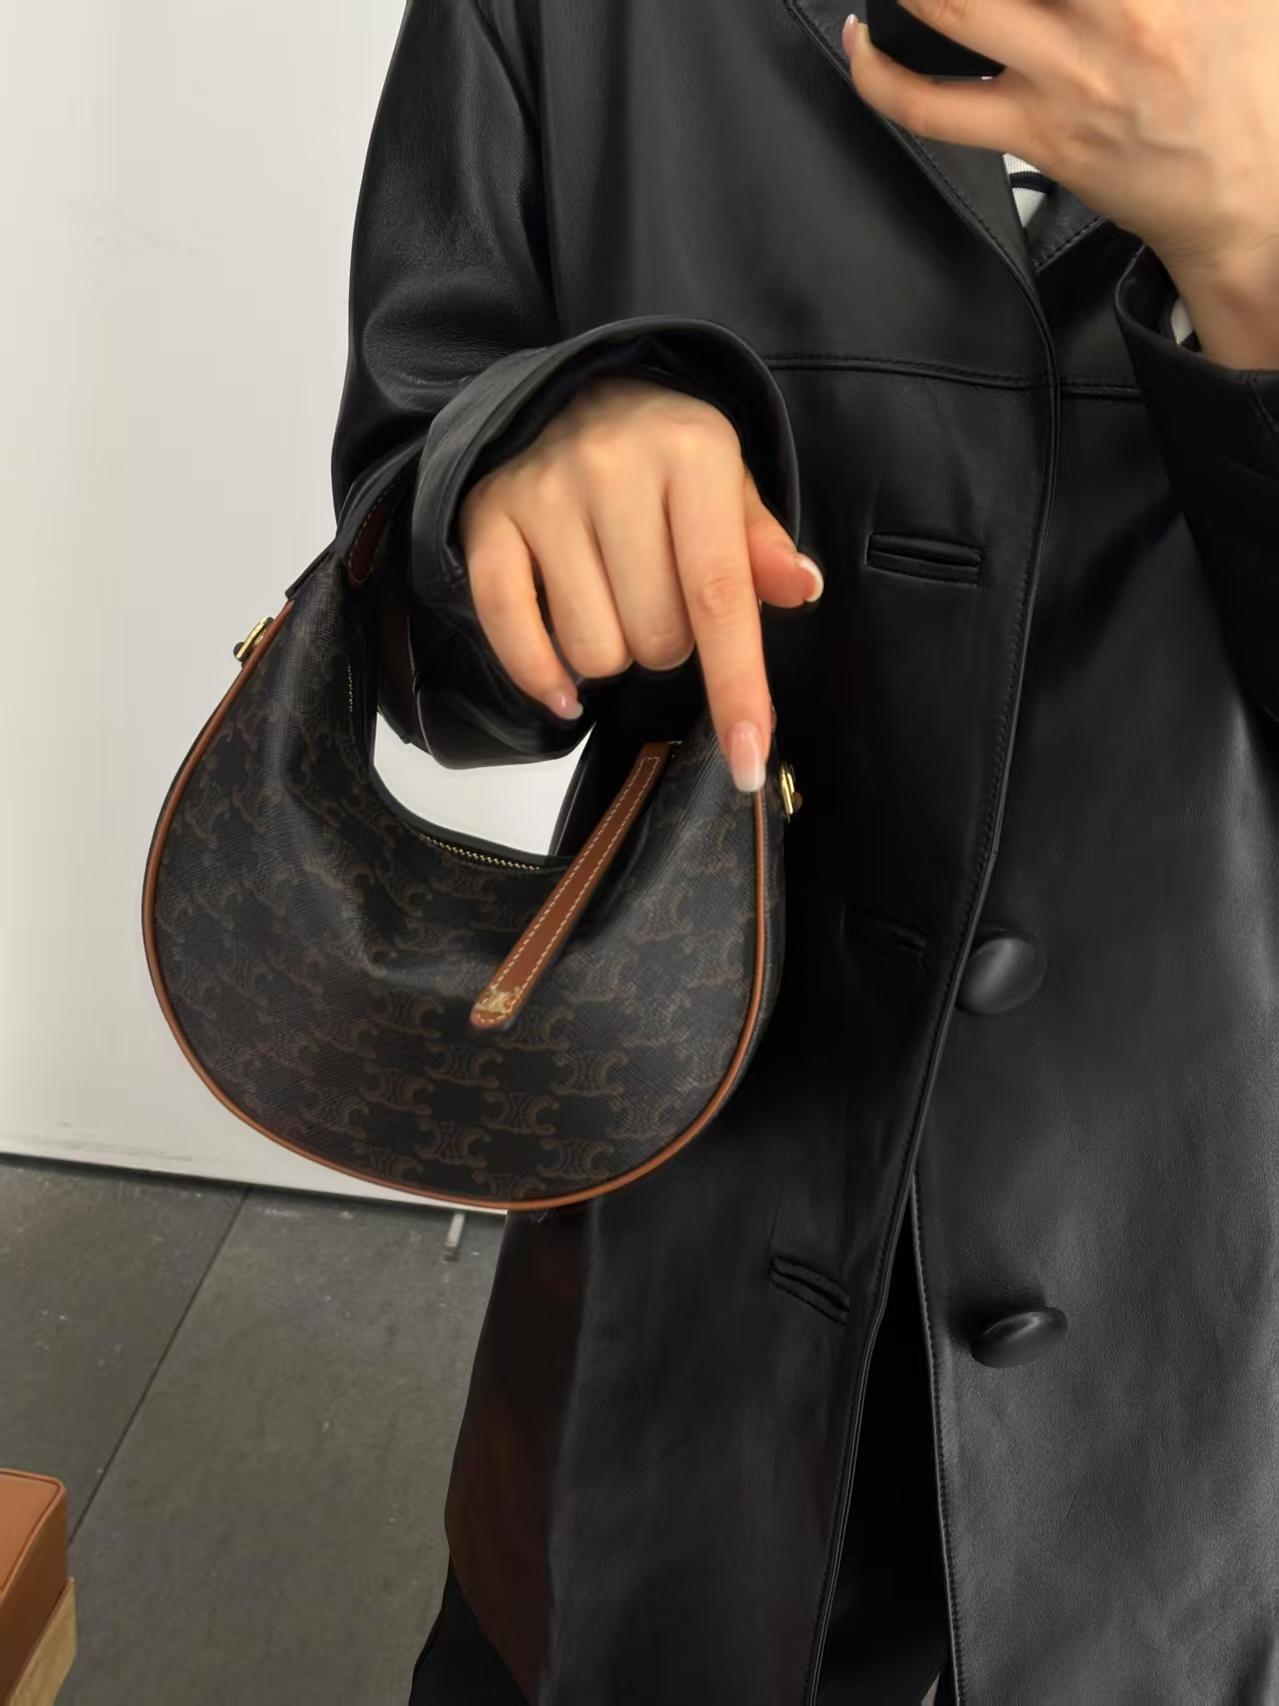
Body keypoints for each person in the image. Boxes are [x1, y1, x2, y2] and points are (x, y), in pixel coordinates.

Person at [328, 2, 1279, 1700]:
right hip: (667, 1339)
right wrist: (525, 468)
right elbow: (406, 602)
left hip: (1212, 1408)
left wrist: (1263, 257)